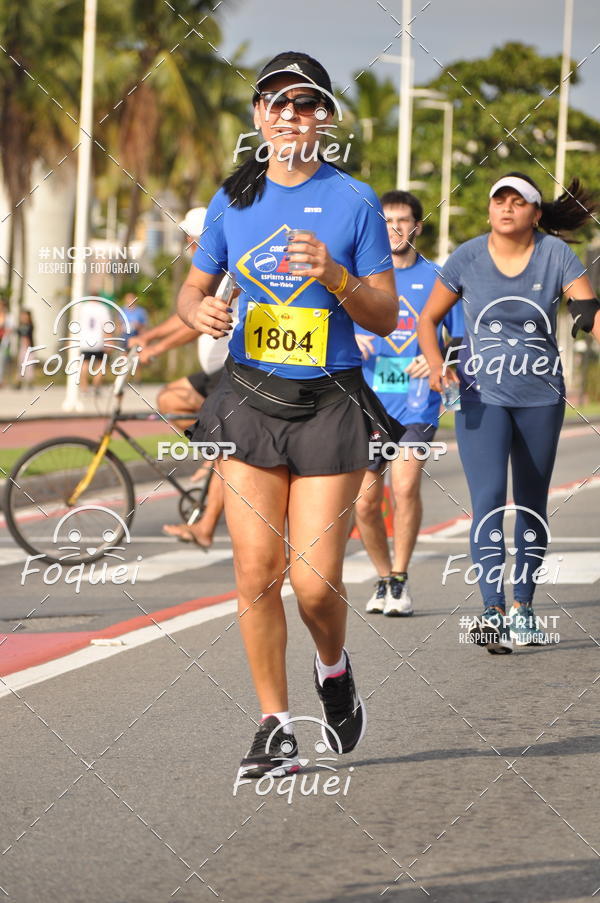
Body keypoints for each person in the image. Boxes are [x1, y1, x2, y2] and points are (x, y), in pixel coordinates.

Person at [177, 51, 401, 778]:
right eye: (279, 102)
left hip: (328, 402)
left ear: (325, 119)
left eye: (308, 105)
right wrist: (201, 309)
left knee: (313, 582)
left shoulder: (355, 201)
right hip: (249, 397)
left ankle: (332, 671)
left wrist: (334, 275)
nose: (293, 116)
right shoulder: (232, 200)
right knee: (254, 572)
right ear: (259, 117)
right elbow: (191, 289)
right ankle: (275, 725)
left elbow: (388, 312)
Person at [418, 171, 600, 653]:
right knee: (490, 499)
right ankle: (491, 609)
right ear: (488, 210)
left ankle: (524, 605)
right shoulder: (467, 256)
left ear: (535, 214)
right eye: (499, 199)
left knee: (532, 503)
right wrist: (438, 365)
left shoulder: (557, 255)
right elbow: (429, 318)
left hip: (541, 396)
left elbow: (587, 314)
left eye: (518, 202)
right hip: (481, 394)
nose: (506, 207)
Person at [355, 190, 464, 616]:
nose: (395, 229)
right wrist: (354, 338)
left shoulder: (438, 277)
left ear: (417, 226)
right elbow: (333, 325)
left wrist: (433, 358)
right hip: (367, 403)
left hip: (418, 403)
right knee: (364, 501)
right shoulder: (361, 276)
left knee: (404, 487)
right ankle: (383, 577)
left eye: (403, 221)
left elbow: (461, 340)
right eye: (386, 221)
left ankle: (400, 579)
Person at [131, 206, 227, 548]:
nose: (189, 246)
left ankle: (208, 512)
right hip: (214, 372)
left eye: (193, 239)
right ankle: (213, 454)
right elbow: (186, 316)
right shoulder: (207, 274)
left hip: (232, 370)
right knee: (170, 400)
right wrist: (150, 337)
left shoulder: (225, 272)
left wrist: (158, 348)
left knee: (228, 450)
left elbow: (197, 324)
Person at [78, 297, 114, 393]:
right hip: (99, 340)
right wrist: (109, 340)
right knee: (100, 364)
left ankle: (84, 387)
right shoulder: (102, 308)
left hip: (84, 341)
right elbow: (107, 325)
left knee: (84, 363)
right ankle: (96, 385)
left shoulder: (83, 307)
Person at [15, 309, 35, 388]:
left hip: (29, 348)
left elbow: (26, 334)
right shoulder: (20, 326)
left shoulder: (30, 325)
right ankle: (19, 381)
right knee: (20, 364)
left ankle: (29, 381)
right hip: (22, 347)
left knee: (29, 365)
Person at [0, 298, 14, 387]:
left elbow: (10, 329)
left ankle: (1, 381)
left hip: (4, 341)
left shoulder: (9, 316)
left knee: (1, 361)